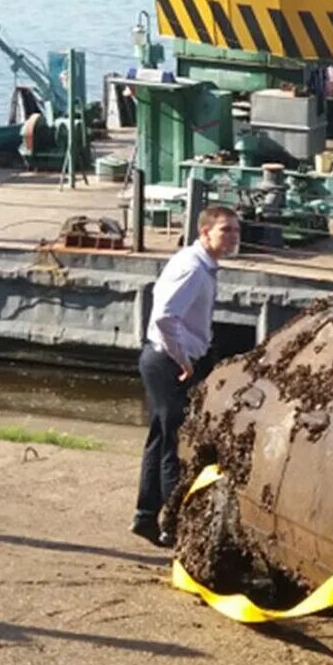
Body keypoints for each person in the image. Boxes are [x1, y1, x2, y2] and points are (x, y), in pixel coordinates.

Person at [132, 204, 241, 547]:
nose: (233, 237)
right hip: (168, 363)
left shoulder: (200, 265)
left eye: (237, 230)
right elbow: (165, 317)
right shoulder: (194, 269)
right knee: (175, 447)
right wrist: (184, 361)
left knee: (160, 439)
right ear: (204, 232)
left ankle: (146, 518)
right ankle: (176, 527)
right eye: (225, 230)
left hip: (168, 360)